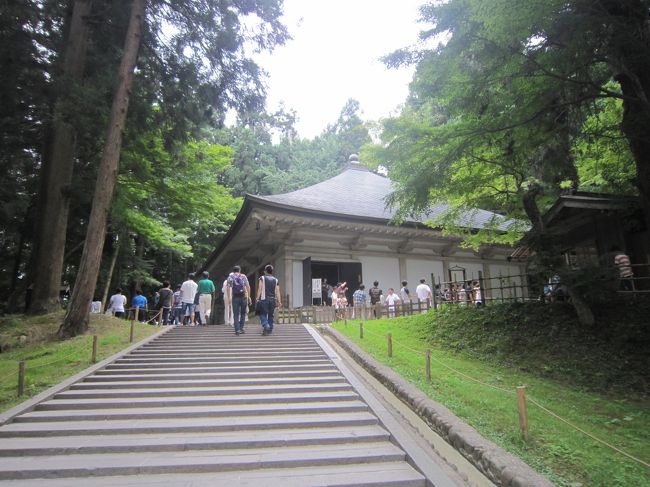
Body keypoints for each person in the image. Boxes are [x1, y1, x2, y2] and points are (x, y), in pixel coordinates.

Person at [256, 264, 282, 335]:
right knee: (271, 315)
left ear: (265, 271)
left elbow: (260, 289)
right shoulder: (276, 280)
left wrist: (257, 298)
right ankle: (269, 330)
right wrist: (279, 301)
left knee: (262, 313)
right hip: (273, 300)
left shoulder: (262, 278)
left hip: (264, 299)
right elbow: (278, 291)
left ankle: (266, 325)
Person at [228, 265, 251, 335]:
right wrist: (249, 296)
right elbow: (248, 286)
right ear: (239, 270)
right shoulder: (243, 276)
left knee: (236, 314)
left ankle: (237, 330)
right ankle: (241, 328)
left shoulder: (230, 277)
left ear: (233, 271)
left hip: (235, 297)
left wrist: (229, 297)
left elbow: (229, 288)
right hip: (243, 296)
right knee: (243, 313)